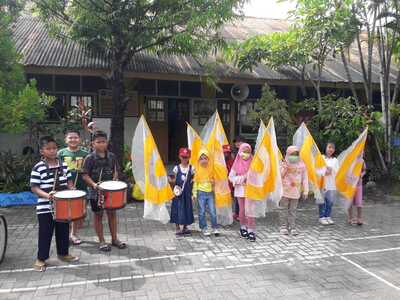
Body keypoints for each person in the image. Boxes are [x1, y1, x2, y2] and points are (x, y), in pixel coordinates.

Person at [30, 136, 79, 272]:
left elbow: (69, 181)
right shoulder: (38, 167)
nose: (52, 151)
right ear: (42, 151)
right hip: (45, 206)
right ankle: (41, 258)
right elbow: (34, 187)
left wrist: (71, 188)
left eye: (54, 148)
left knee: (63, 231)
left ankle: (63, 254)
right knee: (45, 232)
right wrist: (47, 195)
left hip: (63, 205)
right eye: (48, 149)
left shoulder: (63, 165)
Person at [82, 130, 126, 251]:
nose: (101, 144)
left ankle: (114, 239)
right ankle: (101, 241)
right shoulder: (89, 158)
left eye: (103, 141)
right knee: (98, 215)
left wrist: (115, 179)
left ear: (107, 142)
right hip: (95, 192)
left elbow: (116, 169)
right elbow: (85, 175)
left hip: (110, 192)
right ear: (93, 144)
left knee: (112, 214)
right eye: (98, 142)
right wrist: (94, 185)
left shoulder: (112, 156)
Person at [58, 129, 89, 245]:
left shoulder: (85, 154)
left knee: (77, 212)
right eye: (70, 138)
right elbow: (57, 169)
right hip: (64, 187)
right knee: (65, 212)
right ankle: (65, 234)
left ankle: (73, 234)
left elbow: (88, 170)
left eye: (75, 137)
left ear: (79, 139)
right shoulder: (60, 153)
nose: (73, 140)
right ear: (66, 140)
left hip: (81, 187)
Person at [228, 143, 256, 241]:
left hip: (251, 190)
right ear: (240, 152)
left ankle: (251, 230)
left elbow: (257, 175)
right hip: (240, 190)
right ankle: (243, 227)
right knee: (242, 210)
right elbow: (231, 177)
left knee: (250, 210)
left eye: (248, 152)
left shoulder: (253, 162)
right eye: (244, 152)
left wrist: (250, 177)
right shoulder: (237, 163)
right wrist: (241, 179)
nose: (246, 154)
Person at [280, 146, 309, 236]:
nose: (294, 156)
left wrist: (305, 191)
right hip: (284, 191)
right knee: (283, 210)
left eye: (296, 155)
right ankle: (283, 227)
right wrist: (285, 168)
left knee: (293, 210)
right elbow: (280, 176)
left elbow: (305, 179)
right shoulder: (283, 164)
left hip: (295, 192)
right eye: (292, 155)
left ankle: (292, 227)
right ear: (288, 154)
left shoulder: (302, 165)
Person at [192, 149, 220, 237]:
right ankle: (203, 228)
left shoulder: (211, 169)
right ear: (198, 160)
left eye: (205, 158)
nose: (203, 160)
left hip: (210, 193)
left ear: (208, 159)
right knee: (202, 211)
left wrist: (213, 182)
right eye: (201, 158)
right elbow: (195, 183)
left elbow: (214, 181)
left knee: (213, 211)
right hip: (201, 193)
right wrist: (194, 194)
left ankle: (215, 227)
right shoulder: (197, 170)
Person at [169, 148, 194, 236]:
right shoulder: (176, 168)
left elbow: (193, 180)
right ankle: (177, 227)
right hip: (178, 193)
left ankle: (185, 227)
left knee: (187, 208)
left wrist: (193, 192)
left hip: (187, 193)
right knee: (177, 209)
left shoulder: (191, 168)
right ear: (179, 157)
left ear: (189, 157)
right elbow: (173, 180)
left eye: (186, 157)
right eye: (183, 157)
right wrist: (170, 181)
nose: (184, 159)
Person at [319, 142, 339, 225]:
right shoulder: (321, 158)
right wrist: (324, 171)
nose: (331, 149)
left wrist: (331, 170)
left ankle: (328, 216)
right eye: (329, 147)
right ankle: (322, 217)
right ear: (326, 148)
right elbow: (317, 170)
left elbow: (338, 171)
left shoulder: (335, 160)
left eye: (332, 148)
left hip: (332, 184)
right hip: (322, 183)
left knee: (330, 201)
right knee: (322, 201)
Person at [348, 159, 366, 225]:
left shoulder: (362, 160)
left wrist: (361, 175)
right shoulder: (350, 158)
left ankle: (359, 218)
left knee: (359, 202)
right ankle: (350, 218)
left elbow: (364, 170)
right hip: (350, 184)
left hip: (358, 184)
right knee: (349, 202)